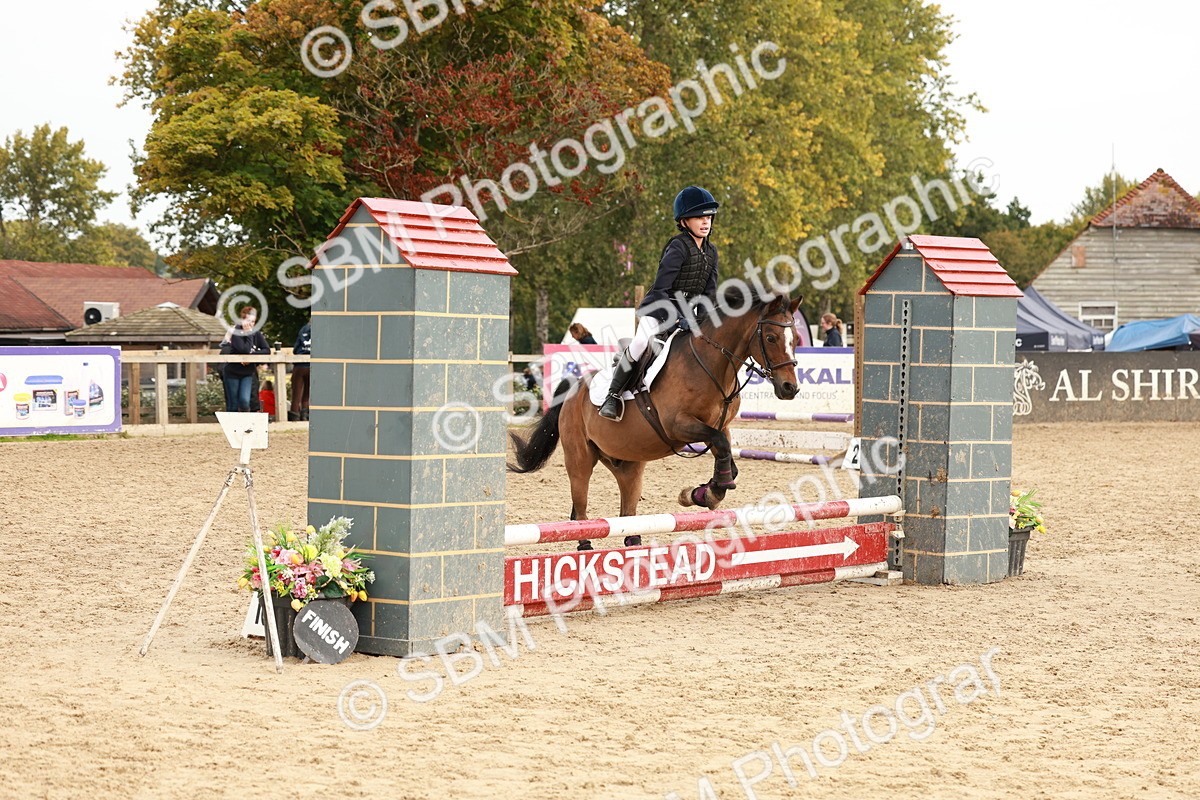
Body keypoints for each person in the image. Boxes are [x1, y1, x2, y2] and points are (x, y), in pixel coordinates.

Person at [599, 186, 720, 420]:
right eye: (699, 217)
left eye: (708, 217)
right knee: (640, 342)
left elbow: (708, 294)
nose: (705, 222)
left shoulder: (711, 252)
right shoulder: (678, 246)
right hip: (659, 307)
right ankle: (612, 396)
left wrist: (704, 321)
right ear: (684, 222)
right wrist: (678, 318)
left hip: (688, 313)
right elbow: (662, 288)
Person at [221, 306, 271, 412]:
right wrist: (249, 335)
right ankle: (232, 422)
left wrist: (251, 357)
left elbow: (266, 350)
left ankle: (244, 419)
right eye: (248, 321)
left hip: (247, 372)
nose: (251, 324)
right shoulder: (236, 332)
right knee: (233, 403)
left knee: (245, 401)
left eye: (253, 321)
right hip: (233, 371)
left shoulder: (256, 333)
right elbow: (244, 349)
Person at [289, 321, 311, 421]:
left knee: (296, 394)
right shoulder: (321, 329)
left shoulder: (303, 329)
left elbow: (295, 349)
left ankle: (295, 416)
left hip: (300, 365)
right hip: (312, 365)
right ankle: (305, 415)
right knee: (307, 394)